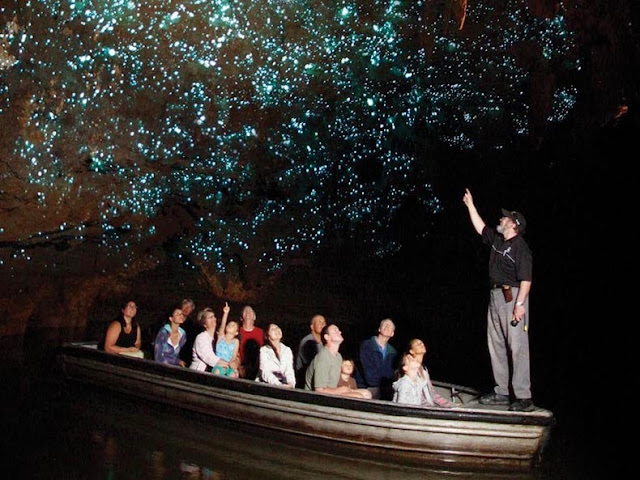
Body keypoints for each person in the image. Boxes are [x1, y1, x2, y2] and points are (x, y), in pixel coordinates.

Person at [463, 188, 534, 412]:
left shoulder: (520, 248)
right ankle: (501, 392)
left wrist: (520, 305)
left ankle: (523, 396)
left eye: (505, 217)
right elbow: (480, 227)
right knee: (496, 345)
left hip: (512, 298)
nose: (501, 218)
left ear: (514, 224)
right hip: (495, 296)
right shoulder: (497, 240)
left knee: (518, 347)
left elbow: (526, 279)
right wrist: (470, 206)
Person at [305, 324, 372, 399]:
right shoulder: (323, 357)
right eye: (335, 331)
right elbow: (319, 390)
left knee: (367, 394)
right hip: (317, 397)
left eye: (338, 330)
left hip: (331, 393)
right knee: (358, 397)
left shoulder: (338, 356)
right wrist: (342, 390)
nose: (339, 332)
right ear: (327, 337)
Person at [405, 339, 452, 407]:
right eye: (418, 344)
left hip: (428, 407)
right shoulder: (410, 369)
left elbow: (432, 394)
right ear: (411, 351)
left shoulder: (424, 369)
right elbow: (415, 396)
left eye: (422, 343)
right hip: (417, 407)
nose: (422, 344)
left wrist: (450, 405)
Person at [358, 318, 398, 399]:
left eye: (390, 326)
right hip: (367, 388)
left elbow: (391, 375)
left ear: (392, 333)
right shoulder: (367, 345)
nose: (387, 327)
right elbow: (369, 375)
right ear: (379, 329)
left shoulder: (393, 352)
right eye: (385, 325)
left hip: (384, 389)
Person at [189, 303, 232, 373]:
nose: (213, 319)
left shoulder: (217, 337)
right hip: (199, 374)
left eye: (213, 316)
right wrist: (226, 363)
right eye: (210, 317)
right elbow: (208, 357)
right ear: (204, 324)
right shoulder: (201, 337)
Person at [295, 314, 327, 387]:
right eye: (319, 322)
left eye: (324, 322)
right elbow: (312, 364)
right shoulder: (307, 342)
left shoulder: (324, 342)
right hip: (306, 380)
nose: (323, 324)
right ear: (312, 327)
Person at [238, 305, 264, 380]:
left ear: (254, 317)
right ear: (241, 317)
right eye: (245, 311)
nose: (248, 312)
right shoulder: (237, 331)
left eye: (250, 311)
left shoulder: (261, 332)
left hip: (256, 367)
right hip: (240, 366)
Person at [213, 311, 240, 378]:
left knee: (233, 375)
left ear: (236, 332)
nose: (230, 325)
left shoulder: (236, 341)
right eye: (229, 324)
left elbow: (234, 356)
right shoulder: (221, 337)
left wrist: (229, 365)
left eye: (233, 325)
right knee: (217, 372)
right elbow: (222, 325)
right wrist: (225, 313)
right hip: (219, 365)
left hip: (229, 365)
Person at [178, 298, 197, 366]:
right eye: (185, 305)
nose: (186, 308)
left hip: (184, 357)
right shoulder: (172, 319)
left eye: (189, 307)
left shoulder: (192, 325)